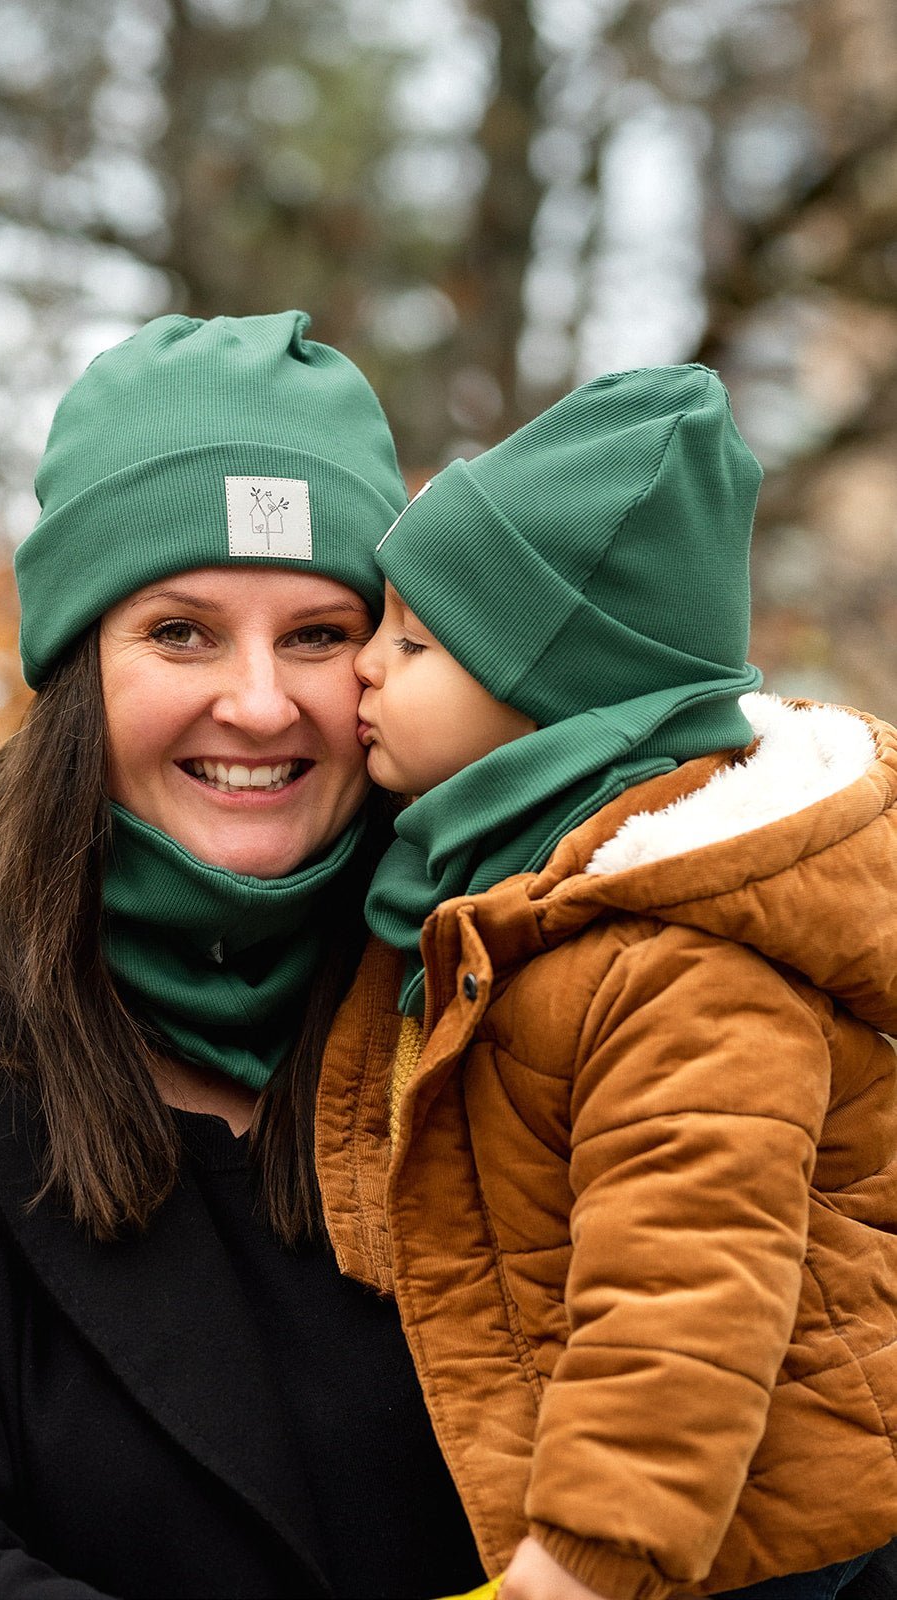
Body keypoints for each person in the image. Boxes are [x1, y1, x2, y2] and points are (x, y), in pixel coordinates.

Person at [0, 312, 489, 1598]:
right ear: (76, 665)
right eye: (182, 631)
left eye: (318, 633)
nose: (260, 701)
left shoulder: (500, 1019)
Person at [315, 364, 897, 1600]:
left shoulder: (678, 962)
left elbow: (690, 1284)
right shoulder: (514, 899)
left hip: (779, 1543)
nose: (361, 664)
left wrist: (583, 1557)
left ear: (551, 697)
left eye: (413, 640)